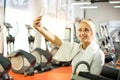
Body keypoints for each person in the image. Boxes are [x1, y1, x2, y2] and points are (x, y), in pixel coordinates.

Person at [33, 16, 105, 78]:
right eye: (80, 30)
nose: (82, 33)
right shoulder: (76, 48)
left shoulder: (98, 54)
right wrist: (40, 28)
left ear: (92, 33)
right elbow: (56, 40)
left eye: (86, 30)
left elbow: (93, 78)